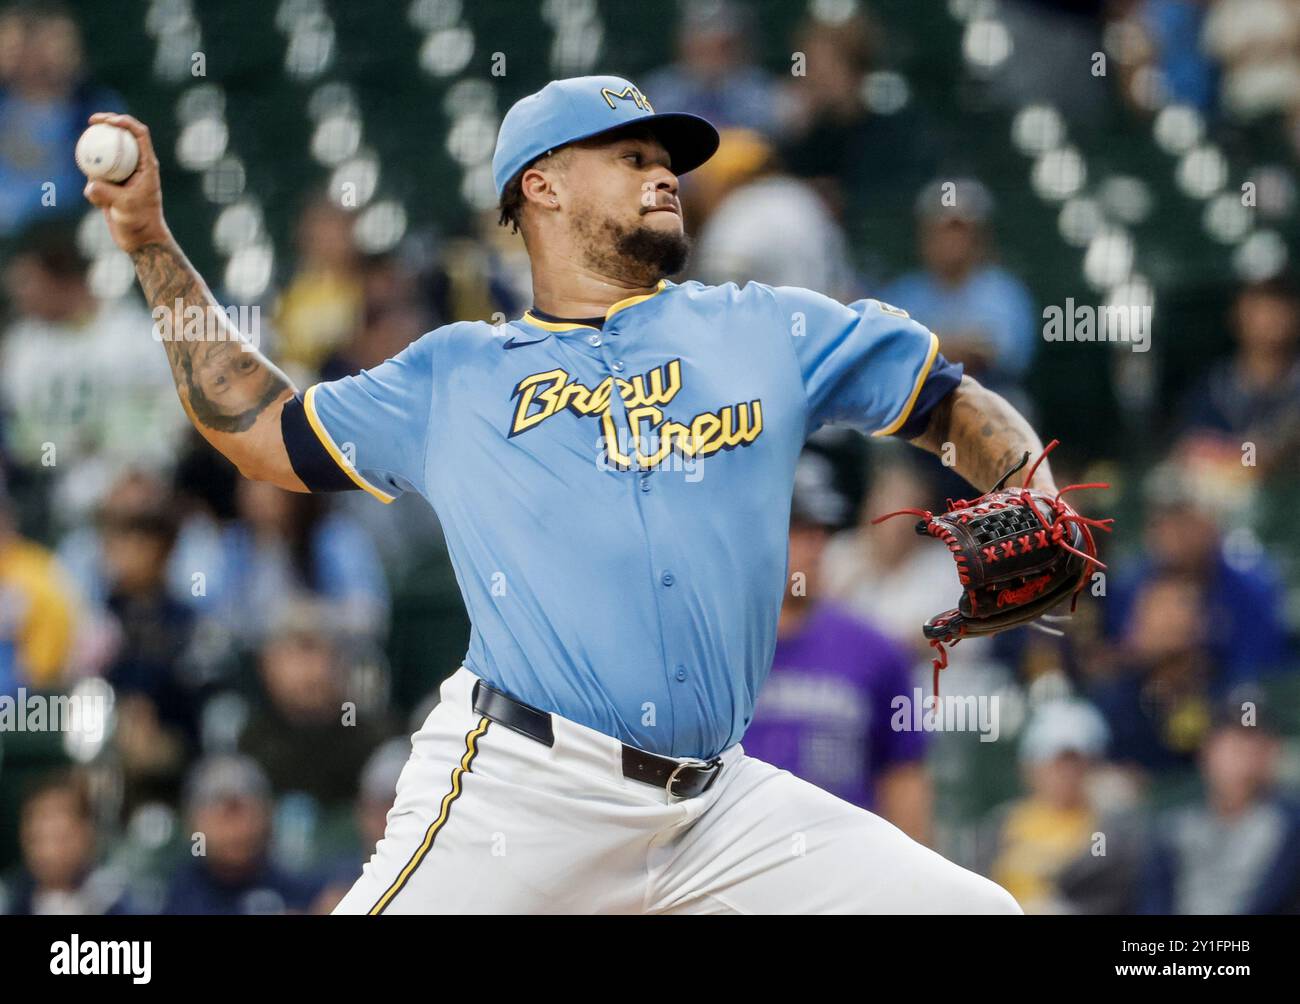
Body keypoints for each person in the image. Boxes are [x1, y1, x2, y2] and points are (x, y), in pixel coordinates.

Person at [83, 74, 1061, 914]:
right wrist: (148, 241)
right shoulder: (455, 372)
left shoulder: (765, 329)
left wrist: (1035, 492)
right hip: (522, 783)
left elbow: (947, 401)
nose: (662, 171)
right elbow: (258, 428)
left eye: (665, 157)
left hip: (714, 802)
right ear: (540, 185)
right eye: (630, 155)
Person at [740, 449, 931, 840]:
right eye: (798, 529)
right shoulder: (709, 652)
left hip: (845, 874)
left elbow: (905, 779)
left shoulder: (877, 651)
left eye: (820, 532)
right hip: (736, 872)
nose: (815, 546)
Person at [1139, 693, 1300, 914]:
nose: (1245, 759)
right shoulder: (1175, 827)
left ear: (1271, 752)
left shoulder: (1289, 825)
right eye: (1235, 746)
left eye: (1256, 746)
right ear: (1207, 752)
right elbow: (1154, 903)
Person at [161, 754, 321, 915]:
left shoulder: (303, 891)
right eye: (222, 815)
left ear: (268, 815)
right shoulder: (175, 894)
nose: (236, 830)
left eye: (246, 810)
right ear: (192, 823)